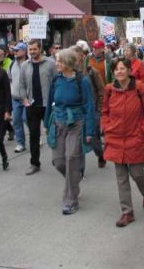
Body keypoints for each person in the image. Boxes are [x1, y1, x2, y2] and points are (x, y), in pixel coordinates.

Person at [102, 58, 144, 228]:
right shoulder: (109, 90)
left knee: (137, 173)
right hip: (115, 139)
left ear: (128, 70)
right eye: (116, 69)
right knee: (121, 178)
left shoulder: (140, 88)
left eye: (122, 68)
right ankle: (127, 212)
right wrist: (105, 127)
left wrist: (143, 131)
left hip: (136, 138)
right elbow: (104, 111)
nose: (119, 72)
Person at [44, 49, 95, 215]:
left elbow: (89, 107)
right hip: (58, 122)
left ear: (67, 63)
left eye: (59, 61)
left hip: (77, 123)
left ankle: (71, 200)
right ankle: (74, 178)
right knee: (58, 161)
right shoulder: (56, 79)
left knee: (71, 158)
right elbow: (50, 102)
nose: (56, 63)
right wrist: (46, 123)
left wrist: (90, 131)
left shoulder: (82, 81)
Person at [19, 39, 57, 175]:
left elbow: (56, 82)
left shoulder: (51, 63)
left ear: (40, 48)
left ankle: (57, 159)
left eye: (35, 49)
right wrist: (24, 99)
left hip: (48, 105)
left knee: (53, 133)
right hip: (32, 105)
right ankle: (34, 163)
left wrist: (55, 101)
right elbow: (22, 85)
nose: (32, 52)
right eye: (30, 50)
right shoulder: (25, 66)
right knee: (33, 135)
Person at [72, 45, 106, 168]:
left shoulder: (92, 72)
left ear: (82, 57)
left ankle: (100, 154)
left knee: (93, 138)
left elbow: (101, 91)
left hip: (92, 109)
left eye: (75, 57)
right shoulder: (68, 73)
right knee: (76, 139)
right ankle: (79, 168)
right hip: (76, 111)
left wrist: (99, 108)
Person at [9, 42, 29, 153]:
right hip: (15, 98)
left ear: (24, 51)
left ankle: (35, 137)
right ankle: (20, 143)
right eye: (14, 50)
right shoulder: (12, 64)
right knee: (16, 121)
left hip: (27, 98)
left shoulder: (29, 64)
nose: (15, 52)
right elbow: (10, 79)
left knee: (26, 119)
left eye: (17, 50)